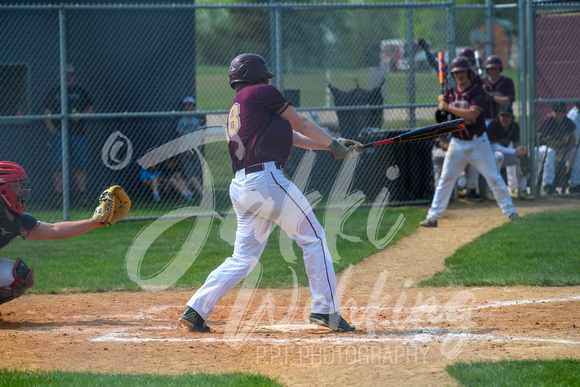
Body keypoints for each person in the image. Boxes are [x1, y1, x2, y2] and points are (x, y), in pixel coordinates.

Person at [179, 53, 362, 333]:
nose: (267, 80)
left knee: (243, 258)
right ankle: (326, 309)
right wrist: (333, 142)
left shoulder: (240, 106)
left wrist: (332, 145)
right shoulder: (261, 92)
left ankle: (196, 309)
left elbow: (294, 137)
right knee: (313, 237)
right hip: (266, 181)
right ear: (257, 76)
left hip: (243, 187)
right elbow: (299, 122)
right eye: (264, 76)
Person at [0, 161, 116, 314]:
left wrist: (94, 222)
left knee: (21, 276)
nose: (20, 190)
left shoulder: (13, 220)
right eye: (15, 185)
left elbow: (54, 230)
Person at [420, 57, 520, 228]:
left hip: (478, 143)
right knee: (445, 179)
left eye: (462, 71)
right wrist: (441, 106)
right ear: (452, 75)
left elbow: (472, 115)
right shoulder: (450, 93)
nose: (459, 75)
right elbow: (441, 119)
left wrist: (448, 107)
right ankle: (433, 217)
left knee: (494, 178)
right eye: (456, 72)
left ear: (468, 72)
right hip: (457, 143)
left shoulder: (477, 91)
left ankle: (512, 213)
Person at [44, 65, 94, 206]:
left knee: (80, 165)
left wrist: (81, 115)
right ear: (60, 76)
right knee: (58, 166)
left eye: (70, 75)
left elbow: (91, 109)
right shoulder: (54, 92)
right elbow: (46, 112)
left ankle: (82, 195)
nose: (68, 78)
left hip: (78, 134)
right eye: (65, 75)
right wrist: (53, 131)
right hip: (60, 134)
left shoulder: (80, 91)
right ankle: (58, 195)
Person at [486, 105, 533, 200]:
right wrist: (515, 151)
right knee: (498, 156)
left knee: (522, 157)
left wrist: (521, 149)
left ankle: (522, 190)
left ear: (512, 118)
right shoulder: (493, 125)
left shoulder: (514, 126)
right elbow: (494, 147)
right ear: (499, 117)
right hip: (490, 156)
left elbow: (516, 144)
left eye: (508, 116)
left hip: (505, 156)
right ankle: (490, 191)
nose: (505, 118)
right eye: (503, 116)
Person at [536, 102, 577, 194]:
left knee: (575, 151)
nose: (560, 114)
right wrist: (563, 142)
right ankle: (547, 185)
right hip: (543, 150)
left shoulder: (567, 122)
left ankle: (575, 184)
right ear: (552, 112)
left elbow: (573, 142)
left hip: (561, 150)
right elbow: (547, 142)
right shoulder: (548, 121)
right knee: (550, 152)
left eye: (562, 112)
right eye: (557, 111)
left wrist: (563, 149)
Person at [175, 96, 204, 199]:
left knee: (196, 169)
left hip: (195, 148)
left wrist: (200, 146)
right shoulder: (182, 120)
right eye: (187, 105)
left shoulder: (196, 121)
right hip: (186, 149)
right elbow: (181, 136)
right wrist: (186, 149)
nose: (189, 107)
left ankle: (197, 191)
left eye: (191, 105)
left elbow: (200, 134)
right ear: (183, 107)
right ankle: (189, 192)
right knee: (188, 171)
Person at [565, 102, 580, 193]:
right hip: (571, 147)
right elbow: (574, 140)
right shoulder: (574, 115)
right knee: (576, 153)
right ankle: (575, 184)